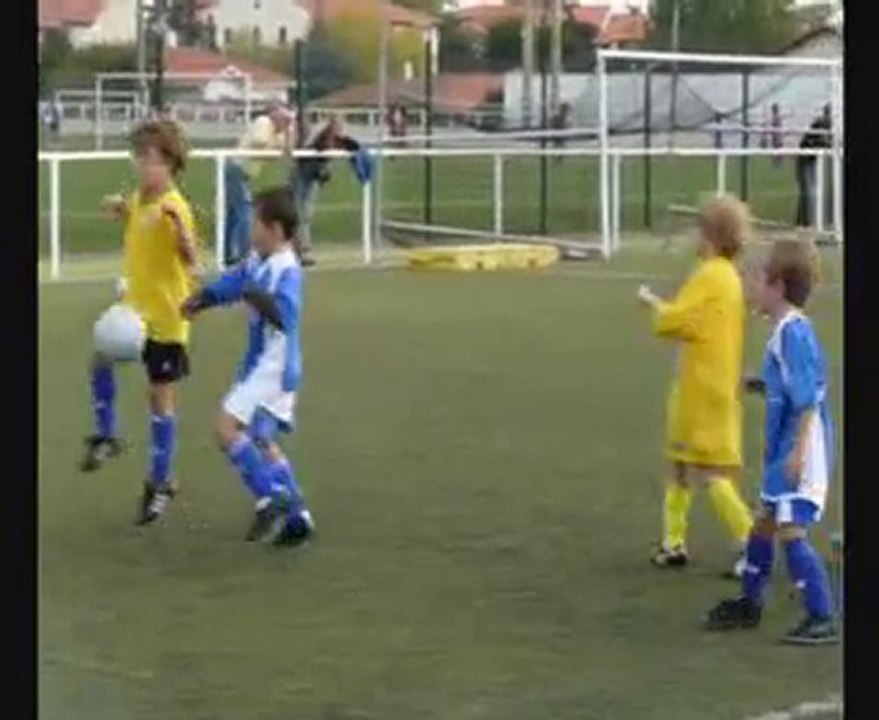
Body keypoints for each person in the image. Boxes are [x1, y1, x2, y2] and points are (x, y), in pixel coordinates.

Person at [705, 239, 837, 645]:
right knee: (765, 521)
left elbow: (810, 394)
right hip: (786, 446)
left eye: (755, 278)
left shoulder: (793, 332)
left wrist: (797, 453)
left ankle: (822, 615)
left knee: (789, 528)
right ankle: (750, 601)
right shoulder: (784, 331)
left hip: (802, 447)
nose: (748, 284)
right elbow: (792, 384)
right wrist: (759, 384)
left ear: (777, 285)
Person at [81, 119, 203, 527]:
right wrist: (120, 206)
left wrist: (184, 239)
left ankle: (161, 480)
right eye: (139, 158)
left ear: (170, 165)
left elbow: (192, 261)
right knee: (98, 357)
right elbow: (134, 213)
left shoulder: (174, 206)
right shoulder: (141, 198)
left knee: (159, 398)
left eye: (151, 160)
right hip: (134, 311)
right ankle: (107, 434)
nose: (143, 167)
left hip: (167, 319)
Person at [182, 187, 314, 546]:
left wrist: (260, 298)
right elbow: (237, 282)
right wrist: (206, 298)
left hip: (274, 364)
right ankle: (298, 515)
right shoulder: (259, 259)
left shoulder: (287, 269)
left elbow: (286, 316)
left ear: (273, 228)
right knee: (262, 437)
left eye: (255, 222)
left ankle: (271, 498)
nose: (250, 228)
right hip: (264, 362)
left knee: (225, 429)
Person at [637, 196, 754, 578]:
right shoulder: (728, 276)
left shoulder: (709, 275)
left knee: (707, 470)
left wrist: (654, 303)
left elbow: (678, 321)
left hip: (701, 388)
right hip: (713, 383)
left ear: (710, 236)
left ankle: (752, 541)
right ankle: (673, 542)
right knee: (682, 464)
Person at [289, 116, 368, 267]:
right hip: (303, 174)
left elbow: (353, 146)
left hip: (313, 177)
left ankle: (302, 251)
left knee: (305, 214)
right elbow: (321, 153)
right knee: (299, 213)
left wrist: (355, 149)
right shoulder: (320, 138)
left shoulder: (340, 139)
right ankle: (298, 251)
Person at [225, 103, 295, 266]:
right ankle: (245, 254)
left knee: (234, 214)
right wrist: (277, 144)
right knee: (244, 212)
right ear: (276, 116)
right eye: (285, 120)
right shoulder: (264, 122)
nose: (287, 124)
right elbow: (259, 143)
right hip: (237, 169)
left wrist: (286, 134)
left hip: (244, 173)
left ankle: (228, 253)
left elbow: (285, 152)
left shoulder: (278, 132)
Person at [795, 104, 831, 227]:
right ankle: (805, 222)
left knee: (810, 192)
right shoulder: (820, 124)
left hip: (813, 160)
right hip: (805, 160)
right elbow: (822, 142)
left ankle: (804, 221)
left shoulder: (829, 125)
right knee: (808, 192)